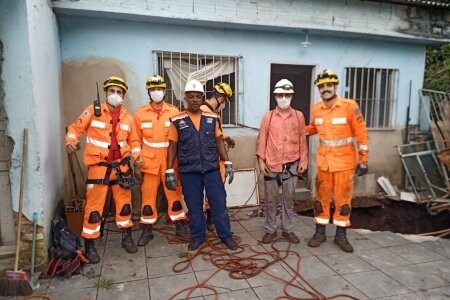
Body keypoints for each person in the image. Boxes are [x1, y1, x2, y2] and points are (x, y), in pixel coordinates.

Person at [65, 75, 140, 263]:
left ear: (123, 95)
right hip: (98, 167)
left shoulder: (128, 118)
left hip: (121, 168)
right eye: (112, 91)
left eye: (119, 92)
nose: (115, 95)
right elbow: (75, 128)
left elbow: (134, 141)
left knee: (124, 206)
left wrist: (137, 158)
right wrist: (71, 142)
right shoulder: (92, 111)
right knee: (94, 208)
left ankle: (127, 238)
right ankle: (89, 244)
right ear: (106, 92)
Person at [165, 79, 238, 251]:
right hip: (189, 172)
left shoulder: (212, 118)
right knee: (194, 206)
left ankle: (226, 236)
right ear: (186, 98)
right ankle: (198, 237)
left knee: (219, 203)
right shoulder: (177, 120)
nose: (195, 100)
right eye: (192, 96)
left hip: (211, 169)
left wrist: (227, 162)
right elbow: (172, 146)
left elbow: (219, 141)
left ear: (202, 97)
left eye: (198, 96)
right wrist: (169, 170)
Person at [306, 69, 369, 253]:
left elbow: (361, 134)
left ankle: (340, 236)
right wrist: (299, 129)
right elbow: (313, 127)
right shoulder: (317, 108)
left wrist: (364, 160)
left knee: (343, 200)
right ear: (319, 89)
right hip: (324, 163)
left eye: (329, 85)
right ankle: (320, 233)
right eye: (322, 86)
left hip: (345, 163)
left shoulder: (350, 107)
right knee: (320, 199)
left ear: (335, 86)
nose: (325, 89)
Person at [133, 75, 189, 246]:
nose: (156, 92)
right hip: (149, 163)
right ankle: (147, 230)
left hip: (169, 161)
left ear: (165, 91)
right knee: (148, 197)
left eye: (159, 89)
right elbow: (135, 140)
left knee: (174, 194)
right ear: (149, 92)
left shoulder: (174, 112)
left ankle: (180, 227)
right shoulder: (140, 113)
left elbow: (181, 138)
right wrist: (137, 159)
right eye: (153, 89)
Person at [256, 79, 308, 244]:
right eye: (280, 95)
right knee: (270, 200)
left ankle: (287, 229)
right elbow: (262, 140)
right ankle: (270, 230)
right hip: (272, 164)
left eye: (287, 95)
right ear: (275, 96)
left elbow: (302, 139)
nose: (284, 98)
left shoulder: (299, 116)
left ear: (292, 96)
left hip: (291, 165)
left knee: (288, 199)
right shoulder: (268, 117)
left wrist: (303, 160)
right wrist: (261, 161)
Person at [200, 82, 235, 231]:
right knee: (213, 189)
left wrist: (225, 137)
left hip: (214, 157)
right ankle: (210, 218)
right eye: (225, 101)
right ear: (220, 97)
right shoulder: (204, 111)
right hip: (208, 158)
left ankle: (211, 217)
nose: (224, 104)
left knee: (215, 189)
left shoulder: (213, 112)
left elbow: (216, 132)